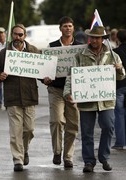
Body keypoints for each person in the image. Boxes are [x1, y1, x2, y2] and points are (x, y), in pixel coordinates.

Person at [63, 25, 126, 173]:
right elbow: (71, 76)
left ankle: (104, 157)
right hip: (87, 101)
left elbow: (121, 76)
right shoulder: (80, 55)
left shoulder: (113, 55)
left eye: (97, 38)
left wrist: (119, 69)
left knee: (109, 126)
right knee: (86, 132)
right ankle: (89, 162)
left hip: (106, 101)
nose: (93, 40)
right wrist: (68, 93)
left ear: (103, 39)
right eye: (91, 37)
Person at [0, 24, 40, 172]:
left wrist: (46, 78)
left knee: (29, 130)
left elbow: (42, 69)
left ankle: (24, 150)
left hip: (30, 96)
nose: (18, 37)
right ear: (11, 35)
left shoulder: (33, 51)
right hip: (12, 97)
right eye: (15, 34)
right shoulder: (4, 53)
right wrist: (0, 76)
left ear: (25, 36)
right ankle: (17, 160)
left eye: (20, 35)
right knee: (15, 132)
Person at [42, 16, 80, 169]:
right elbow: (43, 70)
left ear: (73, 28)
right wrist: (44, 79)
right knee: (57, 120)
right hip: (56, 90)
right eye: (65, 26)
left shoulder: (79, 47)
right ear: (60, 28)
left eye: (70, 26)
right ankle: (57, 151)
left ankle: (68, 156)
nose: (68, 28)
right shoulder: (52, 47)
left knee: (73, 124)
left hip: (73, 91)